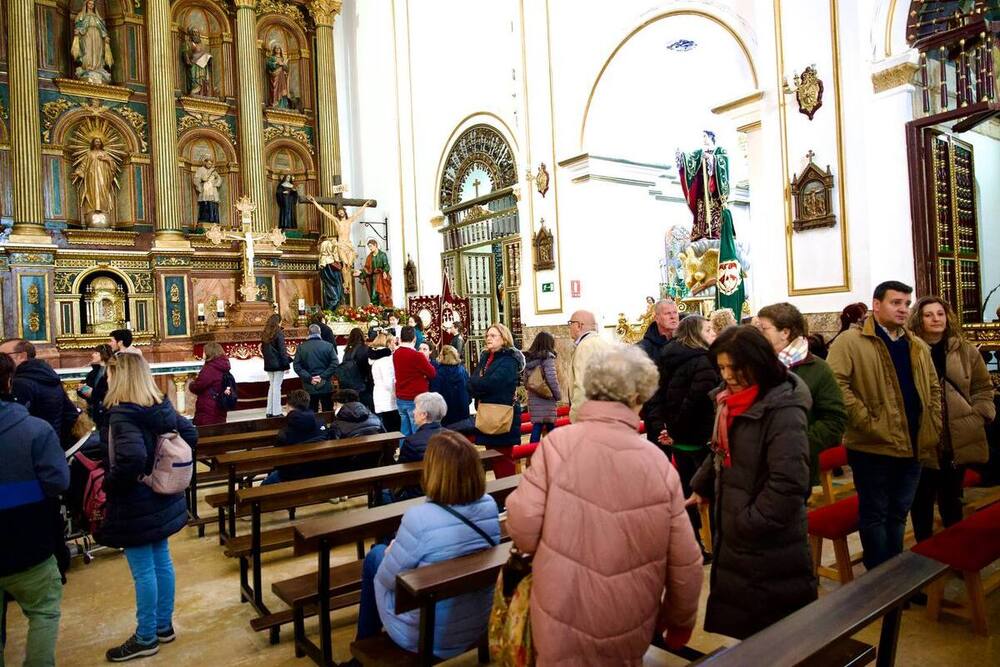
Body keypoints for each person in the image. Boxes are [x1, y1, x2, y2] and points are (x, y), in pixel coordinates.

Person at [506, 345, 703, 664]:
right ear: (639, 397)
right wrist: (680, 620)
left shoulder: (557, 445)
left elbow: (523, 527)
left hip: (561, 608)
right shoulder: (656, 463)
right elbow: (686, 561)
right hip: (629, 615)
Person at [689, 326, 816, 639]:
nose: (728, 376)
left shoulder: (783, 408)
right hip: (739, 530)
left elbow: (788, 484)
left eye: (735, 367)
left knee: (775, 633)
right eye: (722, 367)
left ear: (758, 363)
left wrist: (746, 524)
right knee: (749, 630)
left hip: (768, 539)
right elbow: (722, 449)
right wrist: (702, 485)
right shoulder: (729, 401)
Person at [353, 431, 500, 658]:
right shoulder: (489, 505)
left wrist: (392, 552)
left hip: (428, 632)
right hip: (476, 619)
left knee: (376, 556)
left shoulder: (419, 518)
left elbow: (385, 579)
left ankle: (363, 646)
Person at [827, 281, 941, 570]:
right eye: (896, 302)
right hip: (872, 445)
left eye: (906, 303)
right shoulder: (850, 342)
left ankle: (896, 573)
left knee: (899, 514)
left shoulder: (915, 344)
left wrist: (933, 423)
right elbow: (836, 386)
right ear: (876, 305)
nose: (903, 309)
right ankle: (879, 579)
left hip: (913, 443)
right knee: (875, 514)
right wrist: (867, 421)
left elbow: (932, 388)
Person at [98, 354, 196, 661]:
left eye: (110, 375)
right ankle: (163, 626)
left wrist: (109, 485)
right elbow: (191, 435)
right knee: (161, 561)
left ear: (121, 378)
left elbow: (130, 460)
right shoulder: (161, 406)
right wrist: (166, 469)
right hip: (162, 495)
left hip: (137, 499)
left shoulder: (123, 413)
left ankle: (145, 637)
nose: (107, 380)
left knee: (143, 571)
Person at [0, 353, 70, 667]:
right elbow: (57, 481)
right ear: (9, 382)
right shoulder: (34, 429)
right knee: (43, 612)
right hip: (28, 537)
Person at [907, 296, 995, 542]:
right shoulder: (910, 349)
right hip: (925, 435)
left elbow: (981, 385)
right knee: (922, 500)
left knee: (952, 499)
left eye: (940, 314)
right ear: (919, 319)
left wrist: (980, 412)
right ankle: (924, 553)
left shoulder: (964, 350)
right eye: (929, 314)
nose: (936, 319)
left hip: (957, 435)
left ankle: (956, 552)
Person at [757, 303, 847, 487]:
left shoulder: (818, 369)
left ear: (785, 332)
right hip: (756, 467)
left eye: (764, 329)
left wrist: (796, 444)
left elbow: (834, 420)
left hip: (796, 467)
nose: (759, 334)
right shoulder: (757, 364)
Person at [656, 315, 719, 555]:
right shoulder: (703, 360)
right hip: (699, 437)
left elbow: (662, 396)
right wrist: (678, 430)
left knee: (686, 492)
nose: (713, 333)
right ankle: (715, 544)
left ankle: (694, 545)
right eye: (708, 329)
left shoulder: (668, 356)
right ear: (695, 334)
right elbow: (698, 401)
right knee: (707, 492)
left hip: (679, 438)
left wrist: (670, 429)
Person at [0, 339, 80, 447]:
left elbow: (13, 424)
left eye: (5, 355)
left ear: (22, 356)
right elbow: (71, 415)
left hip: (28, 450)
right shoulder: (49, 377)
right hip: (50, 446)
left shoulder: (20, 383)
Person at [468, 323, 521, 478]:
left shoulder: (509, 360)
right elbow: (472, 380)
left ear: (503, 339)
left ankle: (507, 496)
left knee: (503, 460)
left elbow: (492, 384)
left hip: (502, 416)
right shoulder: (486, 357)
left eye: (493, 336)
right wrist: (479, 383)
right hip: (487, 414)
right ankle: (500, 495)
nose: (488, 338)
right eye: (487, 335)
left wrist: (478, 383)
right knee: (492, 457)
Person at [263, 390, 329, 485]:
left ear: (288, 406)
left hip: (292, 474)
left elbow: (277, 459)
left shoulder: (286, 431)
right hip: (319, 469)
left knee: (264, 486)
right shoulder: (321, 423)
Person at [393, 326, 436, 436]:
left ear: (400, 338)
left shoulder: (396, 353)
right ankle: (417, 453)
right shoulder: (417, 356)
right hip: (415, 398)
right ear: (414, 339)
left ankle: (405, 452)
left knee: (404, 431)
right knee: (418, 431)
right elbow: (432, 373)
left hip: (400, 396)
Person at [567, 310, 609, 422]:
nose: (569, 327)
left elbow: (582, 387)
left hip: (589, 417)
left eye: (570, 323)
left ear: (579, 325)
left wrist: (576, 417)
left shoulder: (585, 347)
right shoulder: (605, 343)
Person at [522, 332, 562, 443]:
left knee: (537, 427)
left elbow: (525, 382)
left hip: (534, 399)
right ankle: (554, 455)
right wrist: (558, 395)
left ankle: (531, 455)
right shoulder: (547, 358)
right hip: (547, 398)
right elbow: (552, 379)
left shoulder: (529, 359)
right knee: (551, 429)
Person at [293, 324, 340, 413]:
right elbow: (335, 363)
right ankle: (327, 426)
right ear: (320, 333)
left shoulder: (302, 347)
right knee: (327, 411)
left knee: (311, 412)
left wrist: (309, 378)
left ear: (308, 333)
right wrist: (322, 376)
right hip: (325, 384)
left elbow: (297, 366)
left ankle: (312, 426)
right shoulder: (328, 346)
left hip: (309, 385)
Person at [189, 342, 232, 427]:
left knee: (207, 433)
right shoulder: (224, 365)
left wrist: (191, 385)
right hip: (220, 404)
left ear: (209, 353)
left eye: (204, 352)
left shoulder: (210, 368)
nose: (203, 354)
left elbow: (198, 386)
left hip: (208, 407)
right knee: (219, 429)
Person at [429, 345, 471, 428]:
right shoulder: (463, 371)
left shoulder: (438, 373)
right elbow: (470, 389)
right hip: (463, 410)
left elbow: (435, 395)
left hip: (446, 414)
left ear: (443, 357)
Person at [398, 392, 447, 463]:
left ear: (424, 415)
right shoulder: (453, 437)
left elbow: (402, 468)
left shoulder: (411, 443)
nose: (414, 412)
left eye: (416, 409)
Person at [261, 314, 291, 418]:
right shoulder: (279, 333)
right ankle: (277, 412)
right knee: (277, 387)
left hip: (269, 363)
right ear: (278, 322)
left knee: (272, 386)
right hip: (278, 364)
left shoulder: (265, 333)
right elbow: (282, 351)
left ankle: (269, 411)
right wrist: (286, 365)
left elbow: (263, 350)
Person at [370, 333, 401, 433]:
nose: (394, 344)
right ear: (387, 343)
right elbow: (389, 382)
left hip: (379, 395)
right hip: (388, 398)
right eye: (392, 341)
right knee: (393, 429)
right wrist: (397, 394)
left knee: (385, 426)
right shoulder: (385, 360)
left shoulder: (375, 358)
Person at [77, 343, 113, 428]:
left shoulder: (110, 371)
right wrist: (83, 389)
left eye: (96, 353)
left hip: (105, 410)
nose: (92, 355)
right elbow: (82, 388)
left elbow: (107, 391)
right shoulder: (93, 372)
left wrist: (92, 392)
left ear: (103, 355)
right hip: (93, 409)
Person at [340, 328, 373, 411]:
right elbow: (367, 367)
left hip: (348, 383)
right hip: (362, 384)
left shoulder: (347, 350)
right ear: (362, 336)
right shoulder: (365, 348)